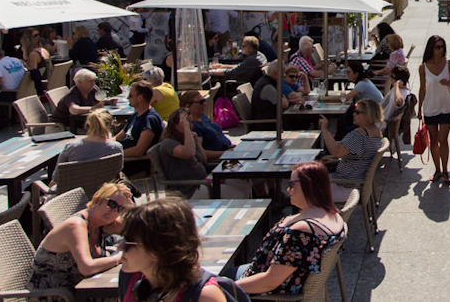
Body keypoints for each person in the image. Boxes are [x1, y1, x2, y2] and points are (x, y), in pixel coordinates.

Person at [234, 162, 346, 295]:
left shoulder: (302, 231)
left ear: (309, 185)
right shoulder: (333, 215)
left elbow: (270, 281)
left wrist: (226, 288)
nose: (288, 190)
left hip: (260, 291)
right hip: (261, 275)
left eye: (292, 184)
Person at [117, 198, 227, 302]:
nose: (119, 247)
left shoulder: (205, 296)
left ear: (157, 249)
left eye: (128, 241)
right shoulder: (130, 277)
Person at [29, 182, 130, 293]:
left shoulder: (102, 221)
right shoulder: (75, 225)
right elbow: (87, 268)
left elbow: (138, 229)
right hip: (54, 294)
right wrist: (119, 258)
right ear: (97, 200)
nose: (114, 211)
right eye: (112, 204)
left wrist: (131, 208)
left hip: (82, 288)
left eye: (120, 209)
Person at [319, 99, 384, 202]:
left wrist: (325, 130)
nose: (353, 114)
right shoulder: (377, 132)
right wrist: (337, 162)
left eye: (357, 112)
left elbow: (336, 151)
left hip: (345, 186)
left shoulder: (359, 135)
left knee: (303, 184)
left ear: (367, 114)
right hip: (357, 182)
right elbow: (362, 158)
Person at [417, 35, 450, 183]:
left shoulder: (449, 64)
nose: (440, 50)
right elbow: (422, 88)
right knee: (433, 140)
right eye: (437, 47)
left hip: (447, 106)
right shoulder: (423, 67)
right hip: (430, 106)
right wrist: (419, 108)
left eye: (442, 47)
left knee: (443, 139)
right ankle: (437, 170)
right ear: (431, 48)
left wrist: (449, 83)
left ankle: (446, 171)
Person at [157, 108, 209, 198]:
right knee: (233, 192)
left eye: (191, 122)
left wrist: (197, 143)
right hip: (189, 190)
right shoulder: (168, 143)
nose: (190, 126)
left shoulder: (186, 140)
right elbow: (189, 153)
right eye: (186, 123)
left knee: (234, 182)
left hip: (203, 182)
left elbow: (204, 160)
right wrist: (186, 128)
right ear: (175, 125)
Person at [57, 108, 123, 167]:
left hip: (78, 177)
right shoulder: (116, 148)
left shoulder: (71, 147)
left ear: (88, 125)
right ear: (109, 126)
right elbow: (117, 172)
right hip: (106, 177)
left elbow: (57, 175)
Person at [115, 81, 163, 162]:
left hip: (132, 162)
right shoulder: (136, 115)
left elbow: (139, 151)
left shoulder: (149, 119)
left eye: (130, 96)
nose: (127, 98)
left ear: (140, 98)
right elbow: (118, 138)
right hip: (121, 156)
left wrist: (114, 154)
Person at [179, 90, 233, 161]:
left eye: (204, 101)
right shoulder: (193, 126)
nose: (205, 104)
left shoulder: (202, 117)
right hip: (220, 160)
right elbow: (199, 153)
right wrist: (225, 153)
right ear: (188, 106)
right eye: (201, 102)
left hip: (229, 151)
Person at [20, 27, 51, 95]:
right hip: (48, 79)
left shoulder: (33, 54)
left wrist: (24, 63)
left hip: (41, 82)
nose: (21, 48)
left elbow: (33, 72)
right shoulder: (42, 50)